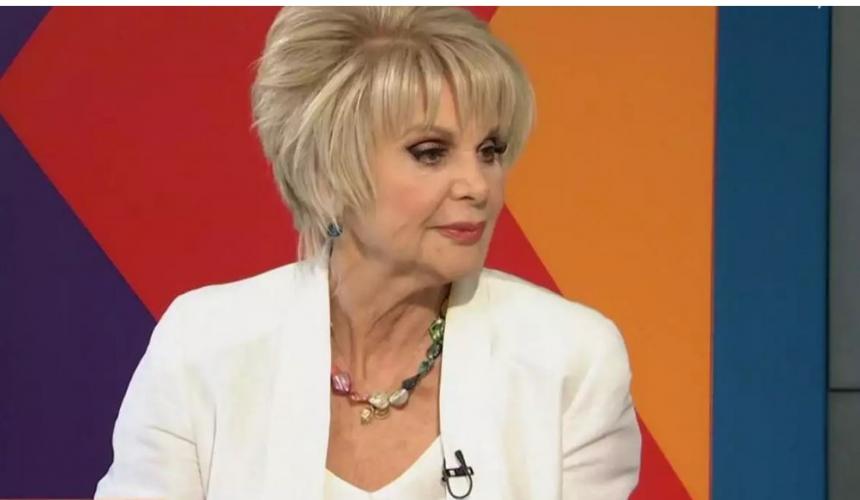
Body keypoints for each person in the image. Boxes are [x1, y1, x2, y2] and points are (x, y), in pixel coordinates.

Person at [94, 6, 641, 499]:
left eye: (490, 151)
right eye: (431, 153)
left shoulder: (571, 362)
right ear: (331, 168)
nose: (478, 186)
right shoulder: (204, 344)